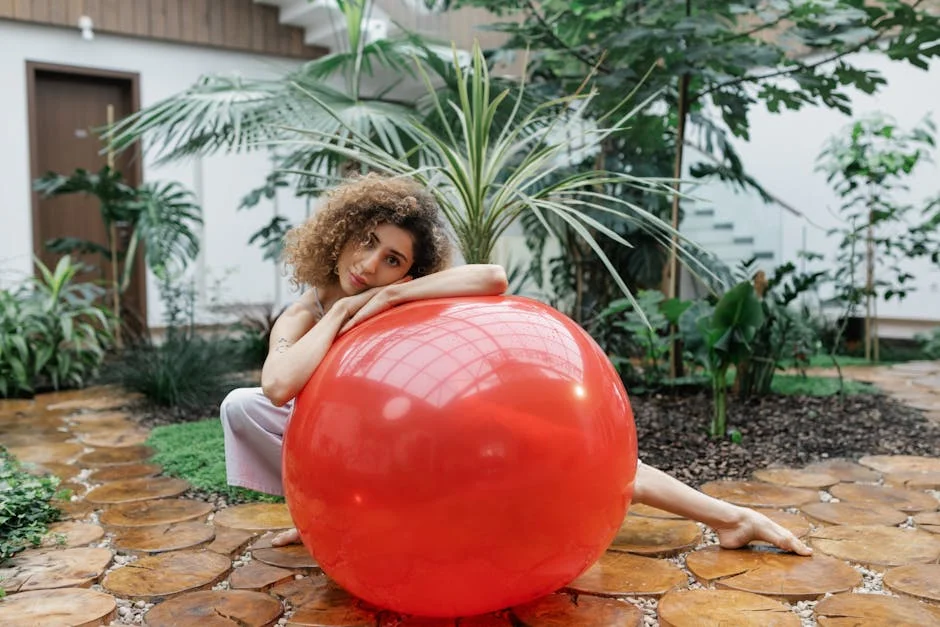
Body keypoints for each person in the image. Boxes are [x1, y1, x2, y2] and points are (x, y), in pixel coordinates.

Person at [220, 174, 812, 556]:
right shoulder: (304, 312)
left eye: (394, 259)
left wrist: (392, 298)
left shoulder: (396, 294)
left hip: (433, 425)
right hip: (352, 449)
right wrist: (344, 310)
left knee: (573, 449)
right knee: (239, 405)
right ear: (343, 231)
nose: (371, 263)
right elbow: (278, 386)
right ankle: (316, 516)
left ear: (410, 270)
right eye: (368, 240)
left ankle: (731, 517)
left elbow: (494, 279)